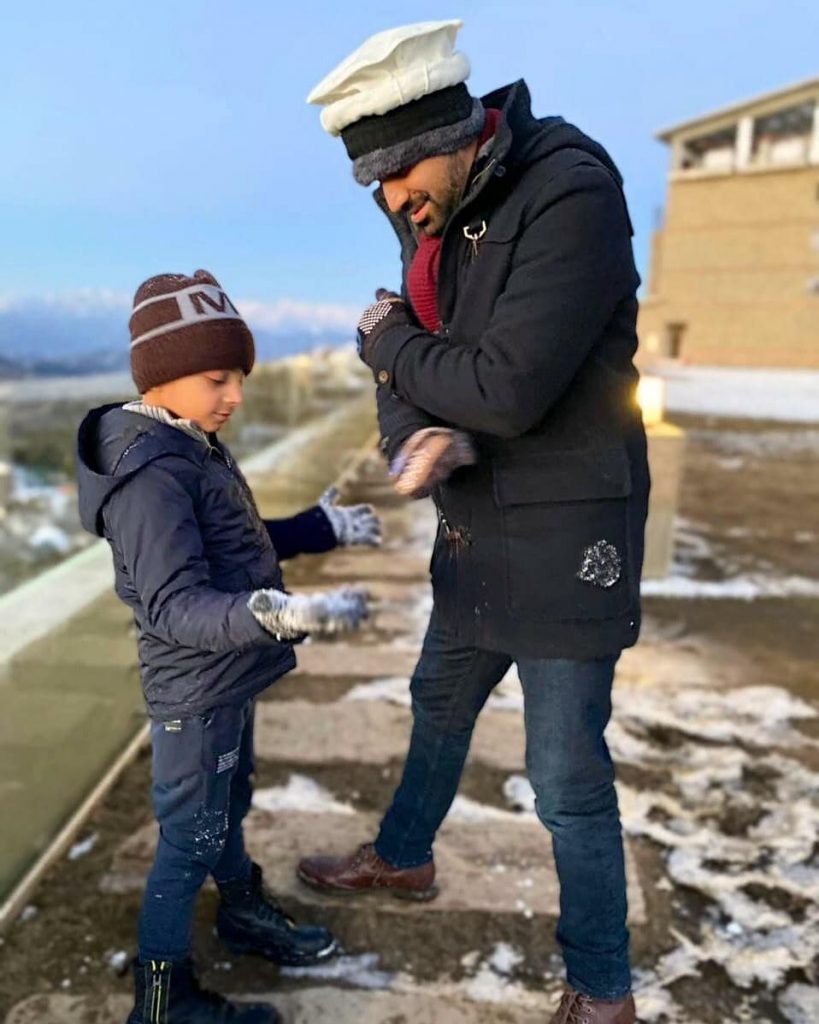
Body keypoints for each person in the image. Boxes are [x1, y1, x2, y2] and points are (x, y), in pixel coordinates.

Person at [299, 21, 649, 1024]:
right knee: (437, 700)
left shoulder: (572, 188)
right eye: (379, 193)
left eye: (404, 184)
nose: (396, 209)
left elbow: (499, 386)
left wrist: (389, 348)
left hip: (569, 535)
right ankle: (403, 857)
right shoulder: (429, 204)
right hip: (474, 523)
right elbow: (412, 349)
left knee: (564, 777)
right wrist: (413, 423)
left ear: (458, 135)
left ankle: (602, 989)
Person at [76, 269, 377, 1024]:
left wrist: (316, 529)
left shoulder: (187, 442)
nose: (235, 396)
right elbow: (177, 605)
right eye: (218, 378)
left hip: (227, 676)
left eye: (238, 377)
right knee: (189, 836)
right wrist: (273, 613)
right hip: (194, 689)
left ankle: (241, 912)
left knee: (228, 803)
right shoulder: (148, 474)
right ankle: (160, 999)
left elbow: (231, 545)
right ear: (163, 375)